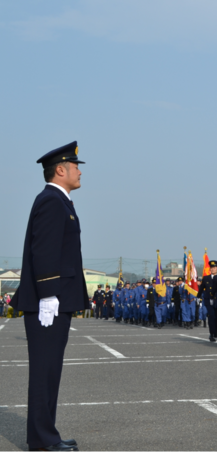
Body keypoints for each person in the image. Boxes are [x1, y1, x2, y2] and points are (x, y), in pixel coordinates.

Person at [11, 141, 87, 451]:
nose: (80, 172)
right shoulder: (52, 201)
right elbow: (44, 250)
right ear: (60, 170)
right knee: (44, 372)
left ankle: (44, 436)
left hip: (57, 298)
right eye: (76, 166)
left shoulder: (61, 201)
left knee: (50, 371)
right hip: (50, 301)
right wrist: (48, 294)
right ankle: (42, 440)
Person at [198, 260, 217, 341]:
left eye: (214, 268)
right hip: (208, 300)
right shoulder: (206, 278)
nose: (213, 269)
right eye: (211, 268)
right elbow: (201, 288)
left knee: (216, 317)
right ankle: (211, 334)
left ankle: (215, 332)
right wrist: (198, 297)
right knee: (211, 316)